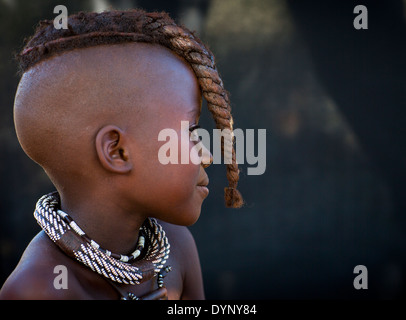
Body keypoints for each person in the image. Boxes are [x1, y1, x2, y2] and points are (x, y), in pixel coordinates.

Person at [0, 9, 243, 300]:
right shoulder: (39, 289)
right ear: (117, 151)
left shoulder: (176, 247)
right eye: (191, 132)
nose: (207, 156)